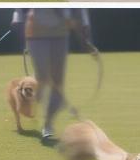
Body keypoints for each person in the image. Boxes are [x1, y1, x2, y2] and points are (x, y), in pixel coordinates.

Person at [11, 9, 90, 141]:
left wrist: (84, 22)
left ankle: (47, 125)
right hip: (35, 31)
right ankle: (33, 101)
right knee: (42, 78)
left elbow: (79, 9)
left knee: (58, 82)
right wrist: (17, 16)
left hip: (60, 32)